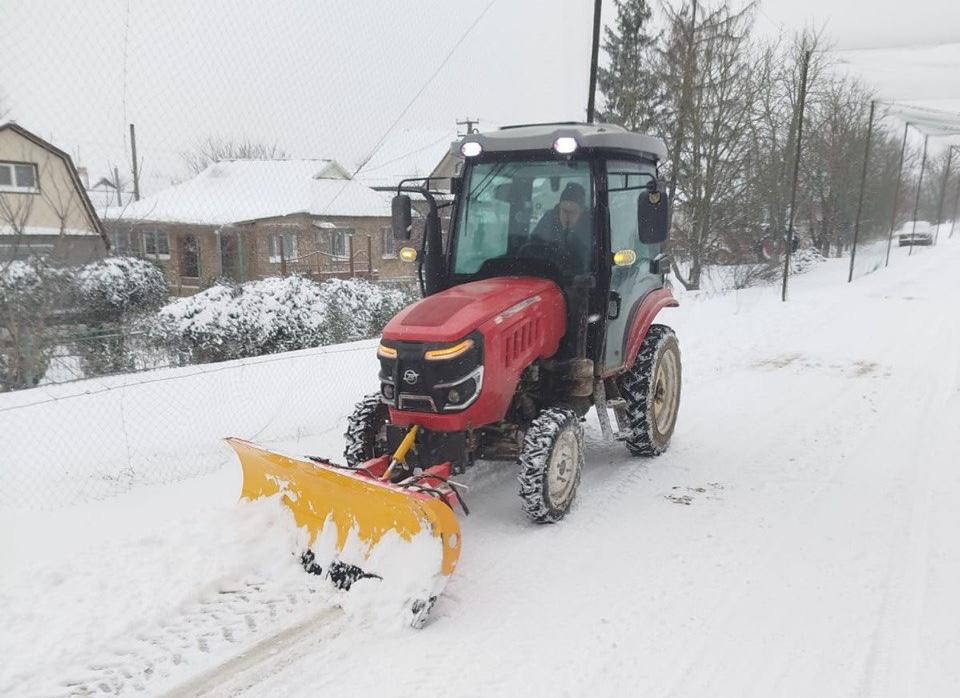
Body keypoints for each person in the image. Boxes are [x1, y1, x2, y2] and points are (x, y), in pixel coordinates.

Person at [529, 182, 593, 274]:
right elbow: (532, 248)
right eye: (563, 210)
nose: (567, 216)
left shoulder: (592, 228)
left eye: (572, 212)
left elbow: (592, 260)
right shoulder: (548, 221)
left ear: (582, 212)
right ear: (559, 207)